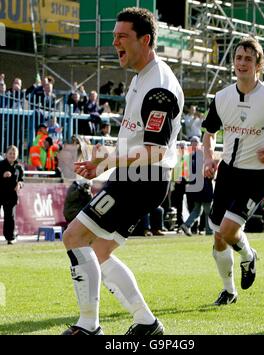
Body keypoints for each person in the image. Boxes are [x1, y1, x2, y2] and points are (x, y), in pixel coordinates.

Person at [61, 7, 184, 336]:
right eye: (113, 35)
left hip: (145, 179)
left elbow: (155, 150)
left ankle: (89, 326)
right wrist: (105, 163)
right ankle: (146, 323)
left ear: (145, 40)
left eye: (122, 36)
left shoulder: (159, 87)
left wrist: (107, 160)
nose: (115, 42)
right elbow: (137, 139)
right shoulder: (142, 76)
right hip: (136, 177)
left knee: (74, 237)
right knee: (99, 252)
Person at [202, 37, 264, 306]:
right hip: (227, 174)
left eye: (248, 59)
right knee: (218, 237)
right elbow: (208, 133)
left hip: (254, 176)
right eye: (238, 58)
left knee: (229, 231)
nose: (242, 63)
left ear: (259, 64)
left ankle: (248, 255)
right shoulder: (222, 98)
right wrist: (209, 158)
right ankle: (229, 291)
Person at [180, 136, 213, 236]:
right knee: (208, 210)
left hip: (195, 187)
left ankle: (186, 225)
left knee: (197, 209)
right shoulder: (203, 157)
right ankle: (209, 230)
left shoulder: (189, 158)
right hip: (204, 186)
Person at [0, 145, 24, 245]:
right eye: (10, 153)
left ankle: (10, 237)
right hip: (0, 193)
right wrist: (2, 175)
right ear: (6, 154)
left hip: (11, 196)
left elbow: (22, 180)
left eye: (14, 154)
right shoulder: (1, 164)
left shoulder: (19, 167)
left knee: (10, 217)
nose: (12, 155)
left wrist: (19, 184)